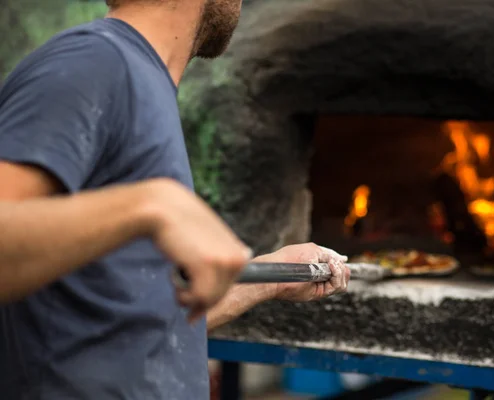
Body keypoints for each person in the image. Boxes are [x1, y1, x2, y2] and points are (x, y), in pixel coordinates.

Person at [0, 0, 351, 399]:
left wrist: (270, 276)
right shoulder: (94, 63)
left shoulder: (140, 76)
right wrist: (152, 204)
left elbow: (144, 321)